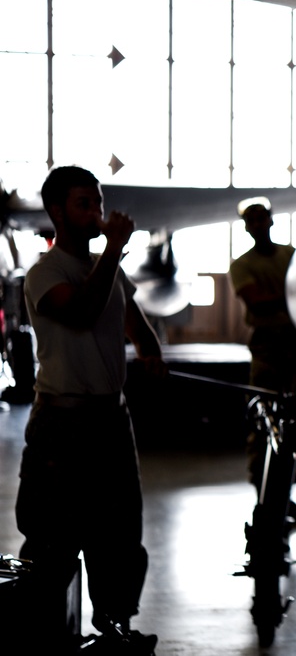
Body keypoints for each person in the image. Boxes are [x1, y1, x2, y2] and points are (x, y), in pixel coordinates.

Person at [16, 166, 167, 654]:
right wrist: (114, 251)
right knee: (52, 540)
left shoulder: (111, 272)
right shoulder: (47, 272)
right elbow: (81, 313)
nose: (96, 214)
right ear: (57, 212)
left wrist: (148, 352)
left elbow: (136, 325)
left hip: (111, 421)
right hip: (61, 425)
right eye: (84, 204)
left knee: (121, 539)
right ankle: (41, 638)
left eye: (98, 204)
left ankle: (115, 631)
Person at [228, 198, 296, 511]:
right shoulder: (242, 265)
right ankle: (265, 499)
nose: (259, 225)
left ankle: (283, 498)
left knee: (293, 421)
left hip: (295, 344)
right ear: (247, 227)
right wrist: (291, 294)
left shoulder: (290, 255)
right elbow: (257, 302)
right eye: (253, 221)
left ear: (271, 221)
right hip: (268, 347)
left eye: (262, 219)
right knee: (264, 420)